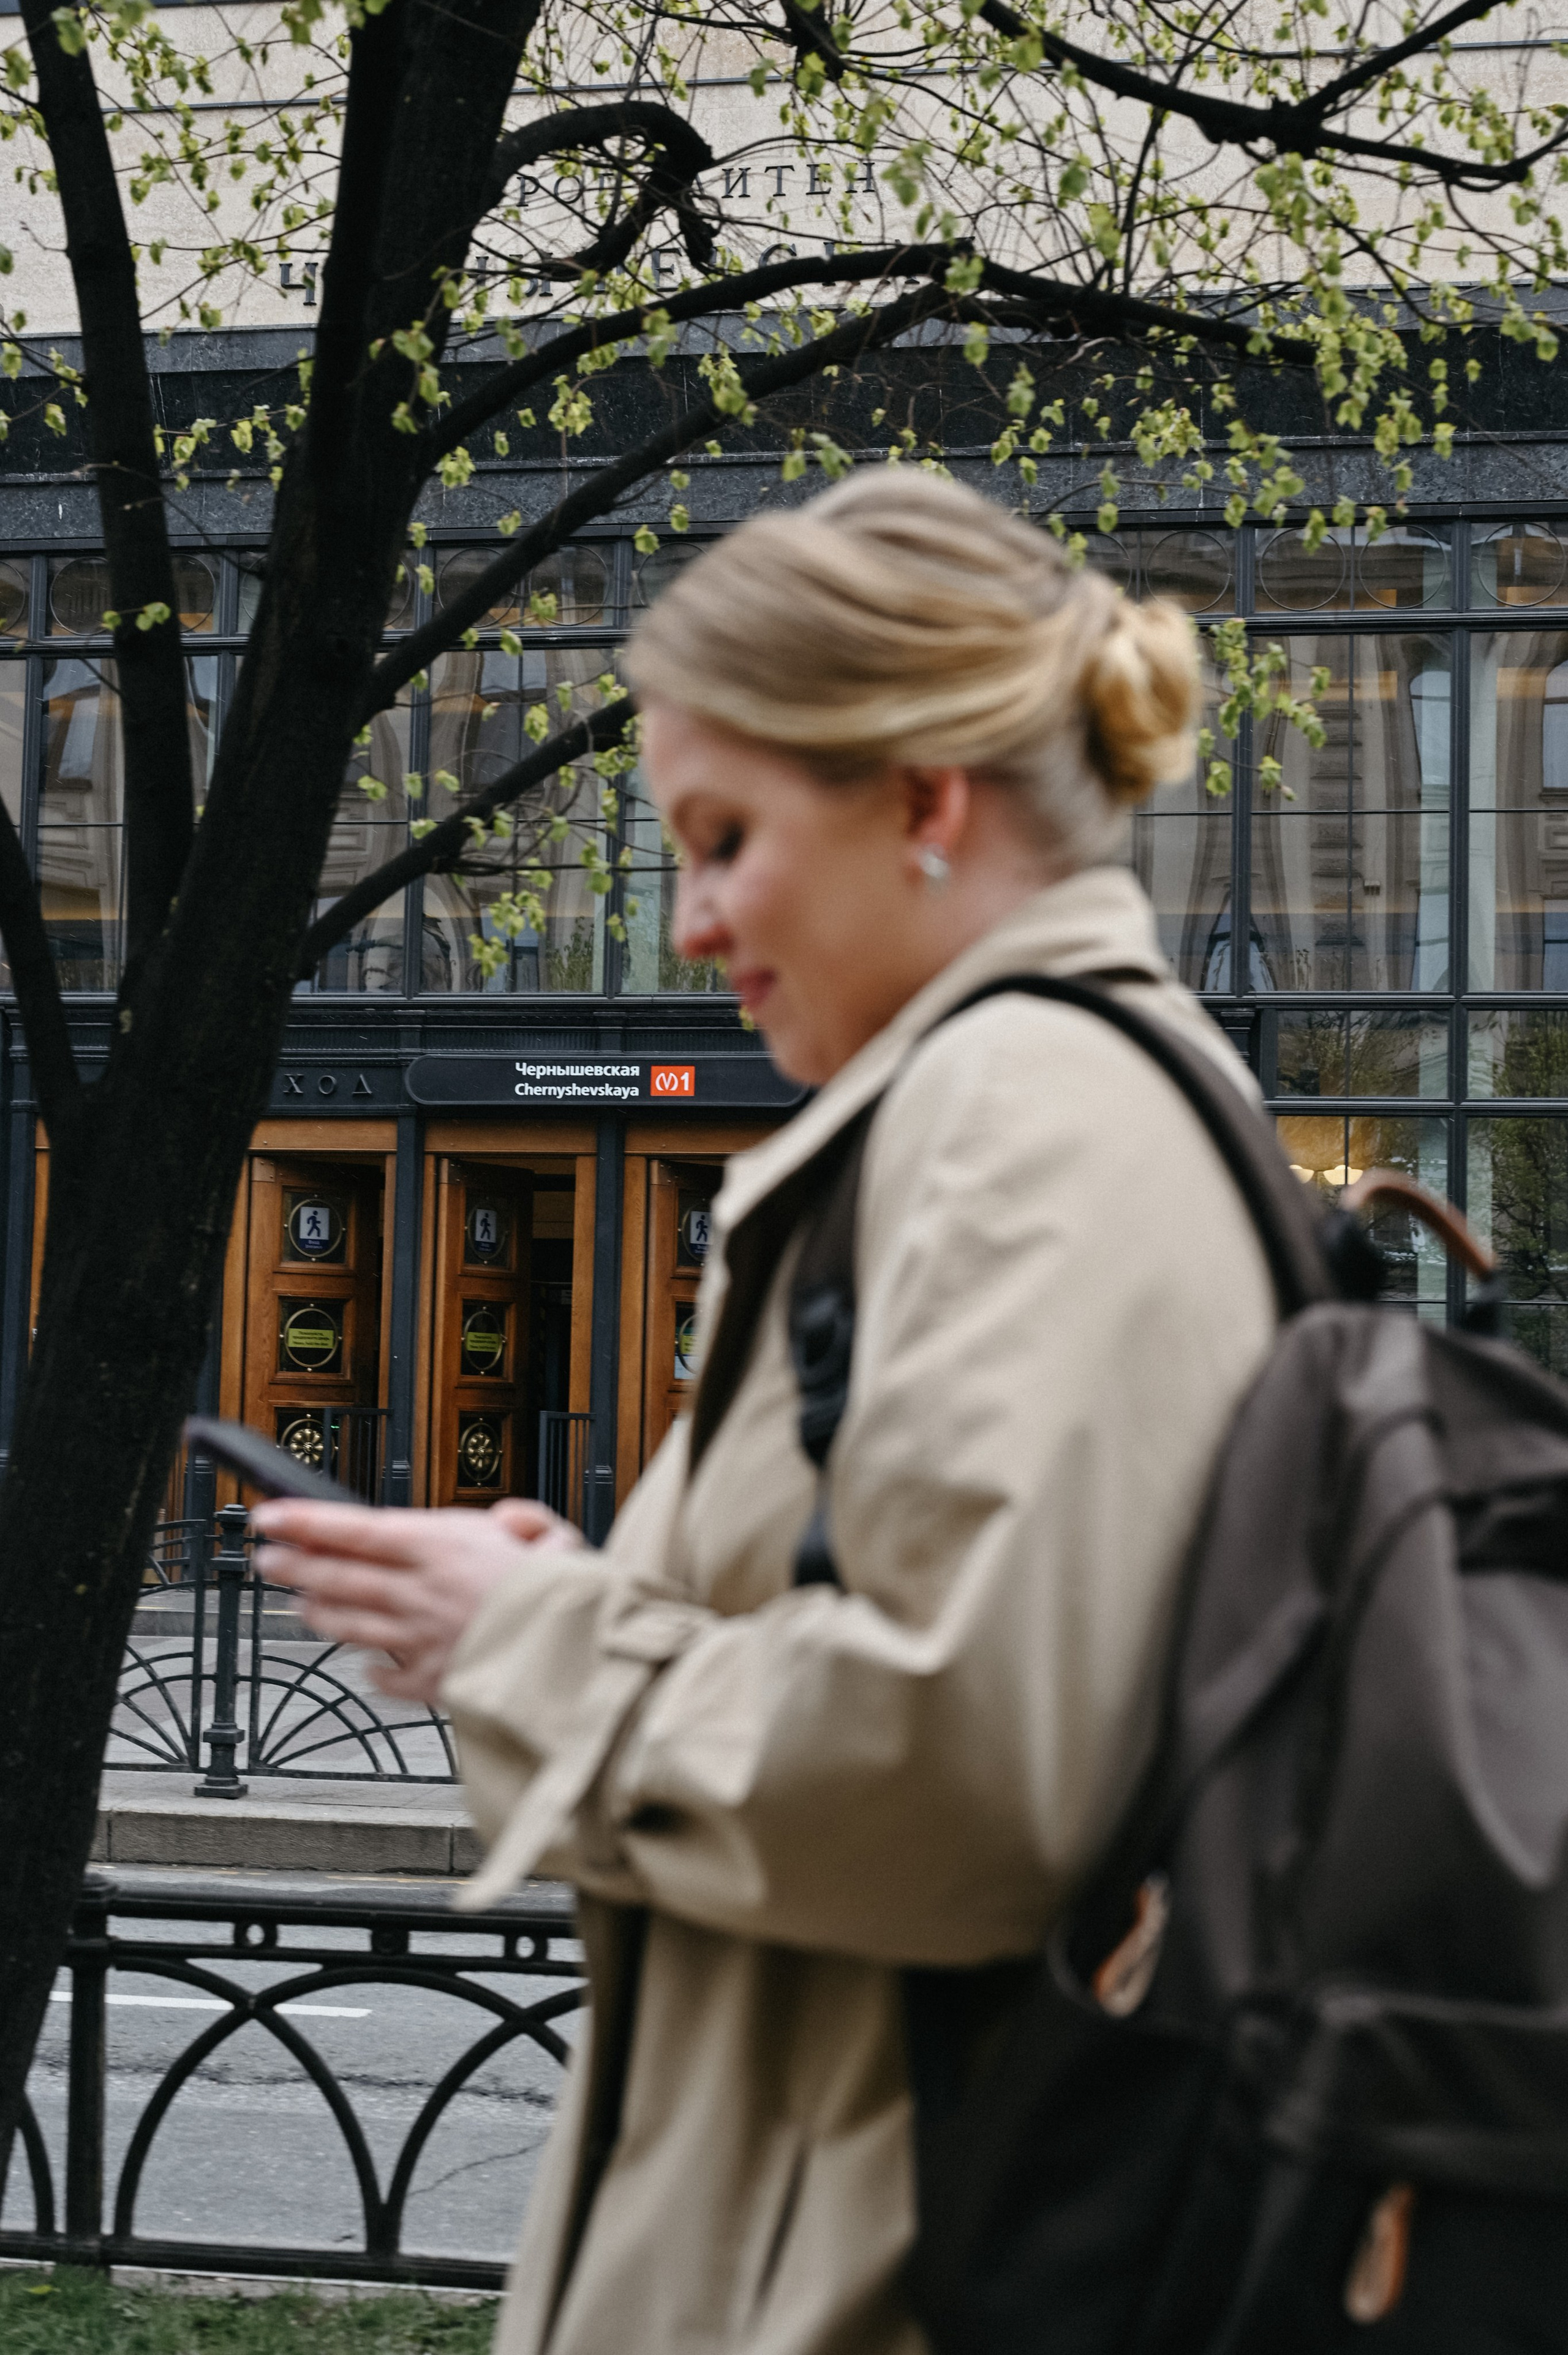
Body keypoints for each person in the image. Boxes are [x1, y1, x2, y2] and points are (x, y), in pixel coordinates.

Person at [254, 473, 1278, 2355]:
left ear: (922, 796)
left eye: (723, 839)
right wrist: (541, 1616)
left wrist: (534, 1635)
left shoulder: (1019, 1116)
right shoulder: (1037, 1102)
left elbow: (970, 1772)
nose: (695, 924)